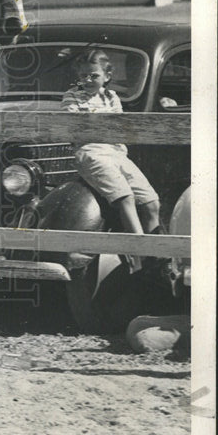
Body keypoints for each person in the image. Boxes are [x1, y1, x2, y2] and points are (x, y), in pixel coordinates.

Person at [62, 50, 162, 271]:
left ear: (106, 76)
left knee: (151, 203)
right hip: (91, 152)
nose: (88, 80)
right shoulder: (72, 96)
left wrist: (101, 127)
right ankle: (141, 257)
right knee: (124, 197)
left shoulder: (112, 97)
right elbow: (75, 127)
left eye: (94, 76)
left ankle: (156, 260)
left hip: (116, 151)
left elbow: (118, 127)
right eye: (84, 76)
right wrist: (104, 127)